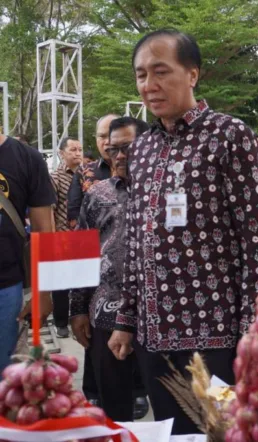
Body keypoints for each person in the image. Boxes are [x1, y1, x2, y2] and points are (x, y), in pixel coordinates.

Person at [107, 29, 258, 434]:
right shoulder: (142, 147)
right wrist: (126, 319)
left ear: (193, 74)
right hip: (153, 338)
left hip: (216, 338)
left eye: (161, 72)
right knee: (168, 434)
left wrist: (254, 332)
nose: (150, 85)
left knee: (219, 431)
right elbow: (136, 239)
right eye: (142, 75)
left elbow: (255, 242)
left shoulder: (230, 136)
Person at [69, 117, 150, 422]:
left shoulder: (170, 193)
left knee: (169, 398)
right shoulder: (97, 194)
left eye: (127, 148)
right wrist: (77, 309)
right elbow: (82, 254)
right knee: (113, 410)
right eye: (113, 149)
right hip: (105, 313)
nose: (119, 156)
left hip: (158, 314)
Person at [0, 133, 55, 371]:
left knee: (5, 373)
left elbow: (44, 230)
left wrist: (43, 293)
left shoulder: (27, 158)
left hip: (6, 288)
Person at [50, 137, 83, 338]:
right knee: (61, 284)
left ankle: (80, 318)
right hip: (62, 237)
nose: (77, 153)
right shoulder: (55, 178)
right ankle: (61, 322)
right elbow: (50, 210)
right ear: (62, 153)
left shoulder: (88, 175)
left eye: (80, 149)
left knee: (82, 283)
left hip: (84, 237)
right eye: (72, 149)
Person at [67, 114, 119, 228]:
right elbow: (73, 211)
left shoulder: (138, 169)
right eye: (102, 136)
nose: (106, 141)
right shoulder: (84, 171)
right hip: (94, 242)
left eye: (112, 135)